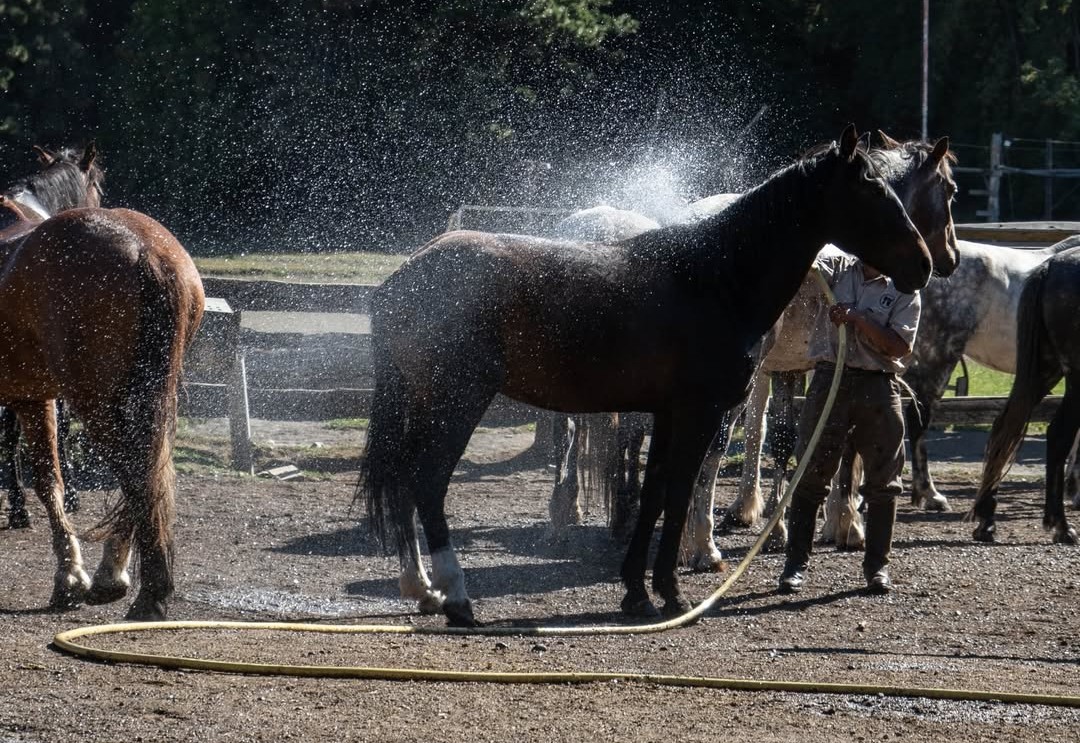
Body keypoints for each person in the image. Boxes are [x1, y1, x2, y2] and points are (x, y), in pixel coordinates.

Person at [777, 249, 921, 596]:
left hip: (878, 385)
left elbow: (898, 346)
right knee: (810, 473)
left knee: (884, 481)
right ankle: (795, 566)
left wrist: (857, 318)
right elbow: (808, 261)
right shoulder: (838, 269)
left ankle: (877, 568)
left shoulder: (905, 288)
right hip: (830, 380)